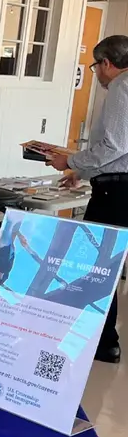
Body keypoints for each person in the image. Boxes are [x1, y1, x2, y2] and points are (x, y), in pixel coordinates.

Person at [46, 34, 128, 364]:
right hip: (115, 183)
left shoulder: (122, 88)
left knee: (99, 265)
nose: (96, 74)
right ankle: (101, 338)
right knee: (107, 263)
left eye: (96, 66)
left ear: (107, 63)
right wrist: (82, 173)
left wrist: (71, 161)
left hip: (117, 190)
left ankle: (103, 341)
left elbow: (114, 146)